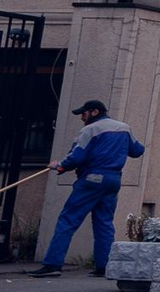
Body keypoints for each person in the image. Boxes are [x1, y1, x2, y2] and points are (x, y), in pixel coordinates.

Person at [33, 100, 146, 278]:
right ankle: (105, 266)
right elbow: (138, 150)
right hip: (113, 180)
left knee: (68, 220)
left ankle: (52, 264)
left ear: (94, 112)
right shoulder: (124, 128)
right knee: (104, 223)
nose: (81, 117)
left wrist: (59, 165)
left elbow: (76, 157)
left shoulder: (89, 130)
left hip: (91, 179)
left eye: (83, 113)